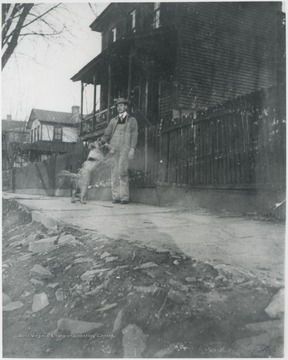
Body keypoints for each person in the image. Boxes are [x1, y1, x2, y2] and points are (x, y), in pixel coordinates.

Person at [100, 98, 138, 204]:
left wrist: (132, 149)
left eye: (121, 105)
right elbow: (107, 134)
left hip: (125, 149)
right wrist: (102, 141)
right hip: (114, 150)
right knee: (114, 173)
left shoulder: (132, 120)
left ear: (126, 107)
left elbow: (134, 135)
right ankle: (116, 197)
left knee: (122, 171)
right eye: (118, 106)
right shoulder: (113, 121)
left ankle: (124, 197)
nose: (119, 107)